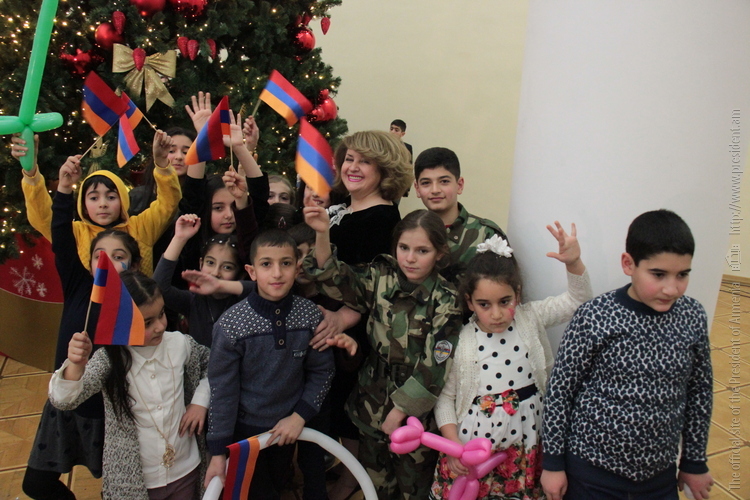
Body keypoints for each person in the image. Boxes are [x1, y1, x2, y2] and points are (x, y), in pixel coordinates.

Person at [541, 210, 714, 500]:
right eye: (658, 274)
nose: (672, 288)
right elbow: (561, 391)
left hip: (658, 477)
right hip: (590, 474)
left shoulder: (692, 316)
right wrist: (553, 463)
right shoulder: (596, 316)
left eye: (682, 275)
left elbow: (700, 392)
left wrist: (694, 461)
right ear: (628, 264)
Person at [304, 207, 463, 499]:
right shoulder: (381, 276)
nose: (410, 258)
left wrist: (401, 410)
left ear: (439, 254)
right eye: (404, 248)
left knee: (413, 490)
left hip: (416, 420)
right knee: (375, 488)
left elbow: (435, 367)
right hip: (371, 402)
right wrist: (322, 233)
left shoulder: (446, 301)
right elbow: (335, 279)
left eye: (422, 251)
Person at [429, 223, 592, 499]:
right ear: (469, 302)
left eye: (505, 301)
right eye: (484, 304)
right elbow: (446, 398)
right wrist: (453, 446)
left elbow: (578, 301)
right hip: (474, 450)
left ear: (517, 293)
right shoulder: (463, 340)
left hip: (526, 445)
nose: (496, 314)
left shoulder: (531, 318)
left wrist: (573, 262)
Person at [22, 173, 143, 500]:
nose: (108, 263)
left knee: (117, 488)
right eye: (99, 256)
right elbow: (60, 234)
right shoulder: (78, 283)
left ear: (133, 264)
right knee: (35, 484)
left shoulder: (138, 299)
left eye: (118, 256)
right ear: (88, 262)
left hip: (114, 413)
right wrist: (63, 189)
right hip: (68, 402)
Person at [48, 271, 211, 499]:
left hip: (186, 468)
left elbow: (213, 366)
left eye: (161, 314)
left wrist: (200, 401)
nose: (160, 326)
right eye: (147, 323)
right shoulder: (109, 359)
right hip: (136, 481)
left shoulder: (180, 344)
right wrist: (75, 365)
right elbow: (63, 400)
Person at [205, 229, 335, 499]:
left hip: (290, 429)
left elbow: (323, 371)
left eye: (285, 263)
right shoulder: (231, 325)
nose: (277, 273)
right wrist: (218, 452)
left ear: (297, 267)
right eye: (266, 264)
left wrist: (298, 417)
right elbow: (222, 391)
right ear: (251, 272)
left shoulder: (310, 316)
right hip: (244, 435)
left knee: (281, 484)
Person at [323, 130, 414, 499]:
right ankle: (345, 466)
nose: (353, 167)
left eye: (365, 161)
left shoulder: (381, 218)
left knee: (349, 408)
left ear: (384, 170)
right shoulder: (345, 208)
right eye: (349, 159)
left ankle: (351, 479)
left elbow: (376, 284)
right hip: (332, 321)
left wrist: (344, 317)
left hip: (354, 328)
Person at [12, 131, 181, 275]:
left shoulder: (141, 227)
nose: (103, 204)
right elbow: (41, 217)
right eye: (94, 198)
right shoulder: (75, 233)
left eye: (111, 197)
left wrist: (162, 162)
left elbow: (169, 203)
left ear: (123, 201)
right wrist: (30, 172)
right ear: (83, 206)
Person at [413, 147, 508, 285]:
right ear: (417, 189)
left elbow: (503, 288)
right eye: (426, 183)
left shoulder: (486, 235)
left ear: (459, 185)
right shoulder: (410, 232)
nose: (435, 190)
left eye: (444, 181)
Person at [153, 214, 252, 347]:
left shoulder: (247, 301)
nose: (215, 272)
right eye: (210, 263)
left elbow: (263, 290)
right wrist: (179, 238)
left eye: (227, 267)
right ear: (201, 264)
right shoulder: (193, 301)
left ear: (241, 275)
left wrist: (221, 285)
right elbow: (159, 287)